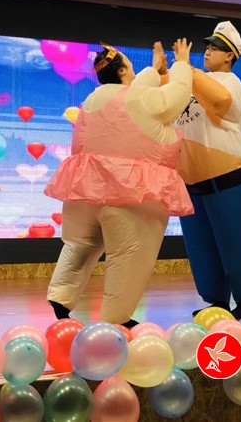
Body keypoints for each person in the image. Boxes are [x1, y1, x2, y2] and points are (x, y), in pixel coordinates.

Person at [44, 39, 194, 328]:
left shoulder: (90, 102)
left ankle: (61, 295)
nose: (135, 72)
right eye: (131, 67)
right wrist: (182, 64)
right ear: (123, 71)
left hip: (86, 191)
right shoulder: (140, 99)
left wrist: (154, 69)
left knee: (80, 245)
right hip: (128, 194)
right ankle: (116, 318)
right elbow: (177, 94)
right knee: (129, 254)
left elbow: (135, 92)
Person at [171, 21, 241, 320]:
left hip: (234, 179)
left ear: (230, 56)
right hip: (194, 183)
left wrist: (186, 68)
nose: (208, 52)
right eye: (208, 47)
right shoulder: (192, 83)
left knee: (238, 243)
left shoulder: (229, 81)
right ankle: (216, 300)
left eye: (216, 48)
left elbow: (221, 101)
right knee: (202, 247)